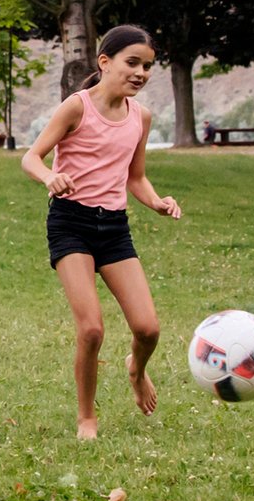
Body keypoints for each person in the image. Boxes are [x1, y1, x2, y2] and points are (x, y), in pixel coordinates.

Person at [20, 25, 184, 440]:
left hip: (113, 228)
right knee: (91, 328)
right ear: (105, 62)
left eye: (147, 66)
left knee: (148, 329)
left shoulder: (140, 117)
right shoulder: (77, 107)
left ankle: (136, 368)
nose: (141, 73)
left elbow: (137, 177)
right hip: (70, 223)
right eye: (132, 63)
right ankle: (86, 418)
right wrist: (49, 177)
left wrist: (158, 201)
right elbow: (31, 157)